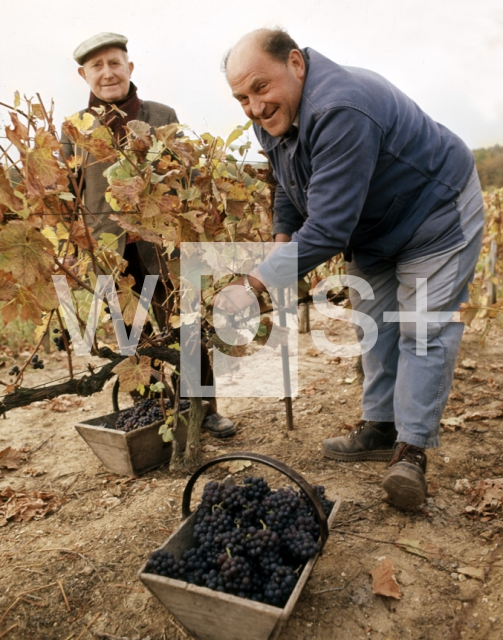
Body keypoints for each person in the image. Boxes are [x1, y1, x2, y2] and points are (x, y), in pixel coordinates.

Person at [221, 28, 484, 508]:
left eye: (260, 88)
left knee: (420, 329)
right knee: (375, 325)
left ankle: (411, 450)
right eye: (242, 97)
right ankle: (381, 427)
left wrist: (254, 282)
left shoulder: (340, 109)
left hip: (434, 213)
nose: (254, 107)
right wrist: (282, 243)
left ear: (296, 64)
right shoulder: (272, 118)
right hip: (377, 226)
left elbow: (328, 228)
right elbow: (287, 184)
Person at [61, 32, 235, 438]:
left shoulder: (161, 114)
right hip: (111, 251)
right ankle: (152, 411)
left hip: (163, 245)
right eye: (97, 67)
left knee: (185, 326)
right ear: (83, 74)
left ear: (130, 67)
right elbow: (70, 193)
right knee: (131, 336)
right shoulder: (73, 128)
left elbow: (184, 176)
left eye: (114, 63)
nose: (107, 73)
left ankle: (204, 409)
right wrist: (74, 247)